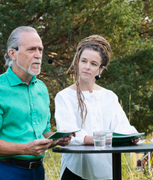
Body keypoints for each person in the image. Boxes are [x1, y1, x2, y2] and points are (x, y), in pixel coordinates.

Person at [0, 26, 71, 180]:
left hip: (38, 171)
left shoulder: (41, 89)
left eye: (40, 50)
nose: (38, 55)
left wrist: (56, 139)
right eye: (31, 49)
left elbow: (44, 130)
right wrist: (26, 149)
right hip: (4, 171)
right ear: (13, 54)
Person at [55, 35, 140, 180]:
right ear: (77, 62)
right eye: (83, 61)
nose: (87, 67)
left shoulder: (109, 96)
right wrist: (105, 138)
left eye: (93, 64)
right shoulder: (64, 96)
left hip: (108, 171)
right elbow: (68, 135)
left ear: (101, 69)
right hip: (75, 172)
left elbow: (124, 128)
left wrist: (131, 137)